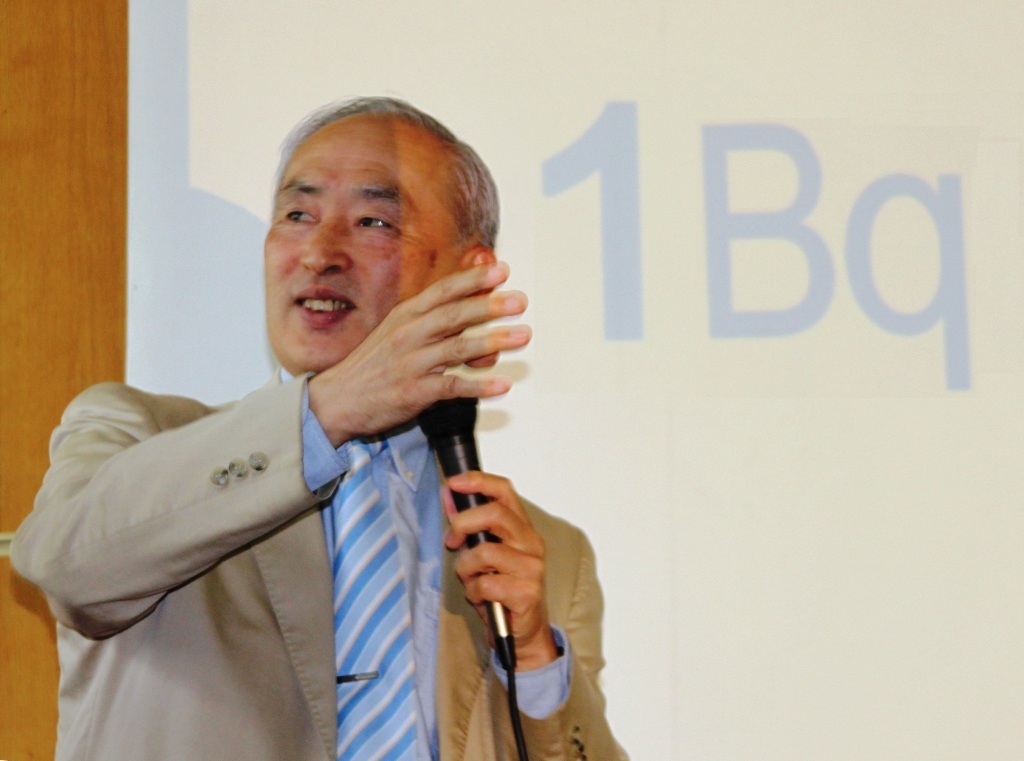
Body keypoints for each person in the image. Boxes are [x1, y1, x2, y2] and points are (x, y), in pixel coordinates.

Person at [13, 97, 626, 760]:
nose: (319, 253)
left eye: (373, 221)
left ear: (468, 279)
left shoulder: (545, 555)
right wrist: (325, 411)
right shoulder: (139, 435)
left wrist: (533, 661)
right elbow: (64, 566)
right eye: (297, 215)